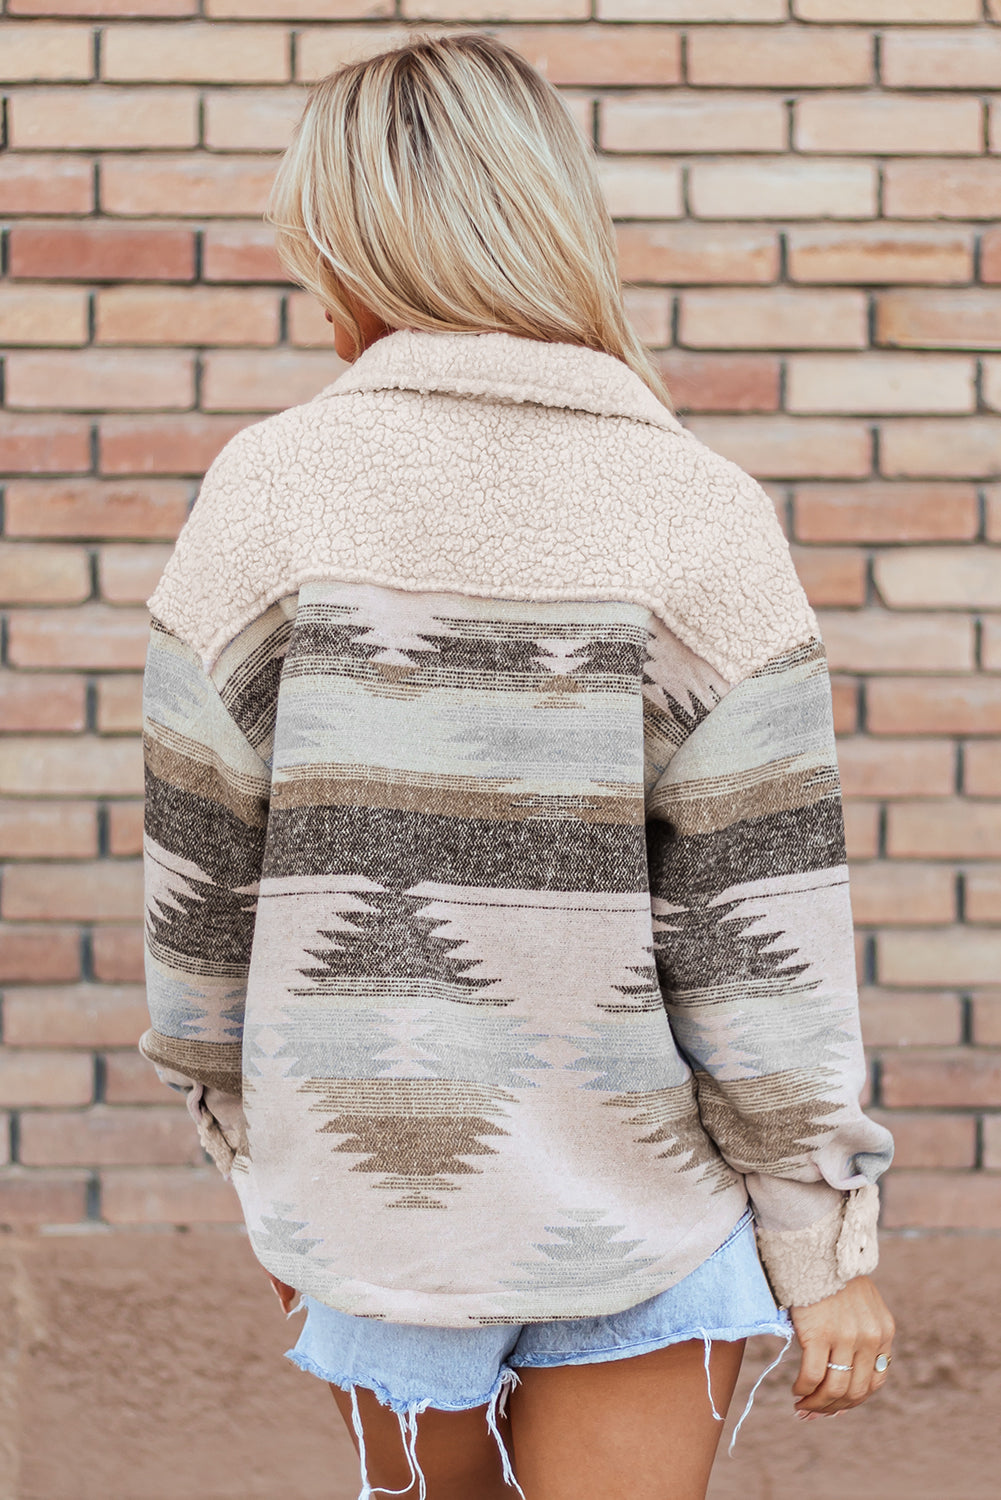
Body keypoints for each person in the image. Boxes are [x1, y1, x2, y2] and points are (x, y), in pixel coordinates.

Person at [138, 30, 895, 1500]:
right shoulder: (696, 507)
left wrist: (257, 1148)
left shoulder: (266, 492)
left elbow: (199, 893)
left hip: (373, 1199)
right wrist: (821, 1243)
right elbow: (759, 928)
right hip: (648, 1197)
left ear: (352, 243)